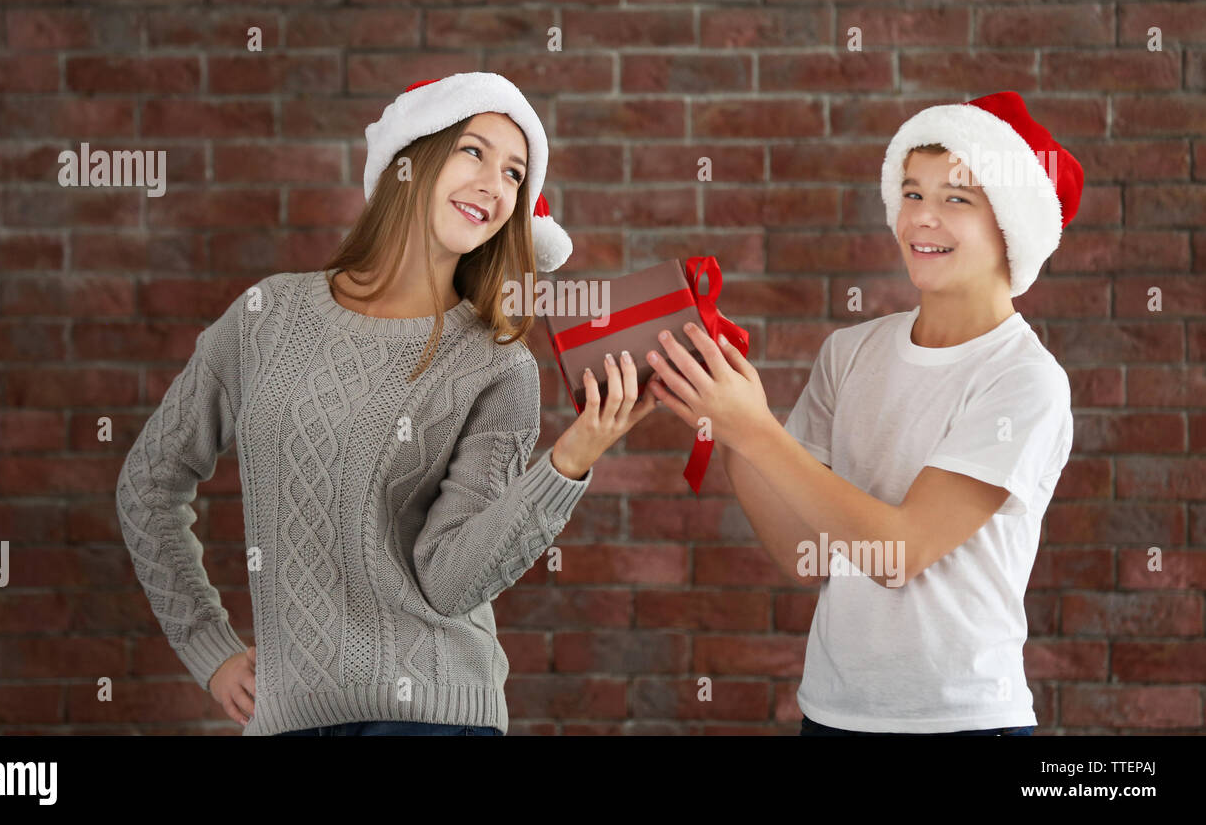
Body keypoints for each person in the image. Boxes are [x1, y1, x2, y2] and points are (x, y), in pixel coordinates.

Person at [115, 72, 659, 736]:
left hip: (434, 718)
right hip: (288, 719)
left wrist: (569, 461)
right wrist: (211, 649)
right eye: (474, 152)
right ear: (411, 159)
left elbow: (450, 583)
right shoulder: (267, 315)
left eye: (516, 174)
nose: (495, 185)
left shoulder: (497, 366)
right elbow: (148, 483)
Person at [645, 91, 1082, 736]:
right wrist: (726, 423)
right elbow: (805, 554)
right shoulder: (850, 353)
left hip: (964, 722)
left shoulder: (1024, 381)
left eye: (955, 199)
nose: (922, 220)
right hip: (830, 714)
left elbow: (897, 554)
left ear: (1011, 226)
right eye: (911, 194)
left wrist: (757, 430)